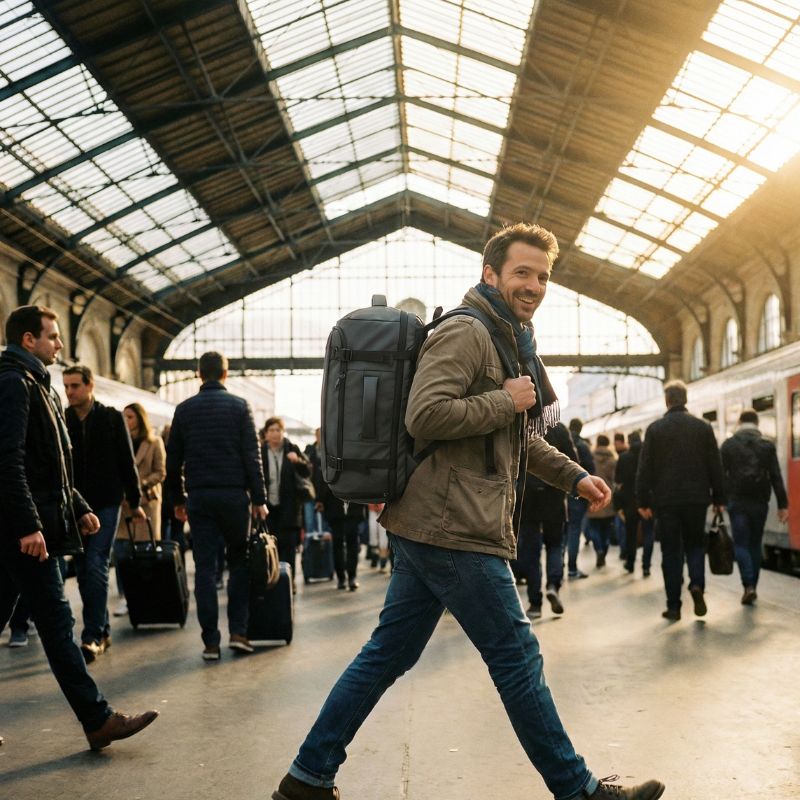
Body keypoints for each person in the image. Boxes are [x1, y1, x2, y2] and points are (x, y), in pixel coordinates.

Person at [271, 223, 663, 800]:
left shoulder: (508, 340)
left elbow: (517, 439)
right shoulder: (467, 331)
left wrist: (576, 476)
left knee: (388, 655)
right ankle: (578, 791)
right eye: (522, 273)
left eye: (543, 276)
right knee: (516, 656)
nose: (533, 285)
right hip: (454, 525)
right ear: (491, 273)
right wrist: (507, 398)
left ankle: (307, 777)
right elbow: (424, 416)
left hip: (437, 519)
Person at [0, 305, 158, 749]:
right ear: (28, 339)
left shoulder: (38, 384)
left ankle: (97, 720)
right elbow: (8, 461)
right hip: (25, 532)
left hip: (30, 524)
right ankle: (97, 718)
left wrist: (80, 504)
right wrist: (30, 525)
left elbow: (54, 465)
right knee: (56, 619)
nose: (59, 345)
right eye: (52, 336)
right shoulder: (13, 383)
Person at [166, 351, 267, 660]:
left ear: (199, 374)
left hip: (199, 498)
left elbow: (173, 463)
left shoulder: (184, 410)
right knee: (239, 564)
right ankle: (239, 632)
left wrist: (178, 501)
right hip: (235, 497)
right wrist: (260, 499)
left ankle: (210, 642)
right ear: (225, 374)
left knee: (205, 570)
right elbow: (252, 455)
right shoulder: (240, 407)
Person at [63, 364, 145, 663]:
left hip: (107, 503)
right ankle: (105, 630)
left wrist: (134, 501)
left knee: (96, 565)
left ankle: (92, 636)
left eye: (75, 386)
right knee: (84, 570)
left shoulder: (111, 417)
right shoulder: (63, 418)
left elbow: (127, 461)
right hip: (74, 506)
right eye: (67, 386)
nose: (70, 392)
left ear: (90, 386)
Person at [636, 380, 725, 621]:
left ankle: (674, 606)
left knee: (671, 552)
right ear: (685, 400)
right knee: (696, 545)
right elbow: (715, 465)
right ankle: (697, 585)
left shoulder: (655, 429)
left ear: (667, 401)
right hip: (697, 500)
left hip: (667, 502)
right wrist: (719, 497)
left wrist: (643, 501)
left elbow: (645, 469)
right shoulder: (703, 427)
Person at [720, 409, 788, 605]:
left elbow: (721, 475)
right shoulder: (767, 446)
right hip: (760, 503)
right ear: (757, 423)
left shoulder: (728, 445)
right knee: (755, 543)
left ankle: (748, 585)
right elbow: (776, 476)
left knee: (740, 543)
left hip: (737, 502)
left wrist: (719, 500)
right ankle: (753, 586)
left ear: (740, 423)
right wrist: (782, 505)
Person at [513, 420, 577, 619]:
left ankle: (535, 603)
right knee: (555, 544)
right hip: (554, 497)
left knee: (531, 549)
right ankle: (553, 585)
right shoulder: (558, 428)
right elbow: (573, 460)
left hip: (527, 498)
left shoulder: (519, 425)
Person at [112, 403, 167, 617]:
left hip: (147, 503)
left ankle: (148, 595)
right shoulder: (117, 442)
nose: (126, 421)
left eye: (130, 417)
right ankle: (125, 596)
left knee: (146, 550)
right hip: (124, 505)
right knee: (122, 551)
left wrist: (140, 483)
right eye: (124, 417)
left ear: (140, 419)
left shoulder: (154, 442)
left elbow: (160, 472)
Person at [261, 417, 312, 590]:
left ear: (283, 432)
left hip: (289, 508)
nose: (275, 433)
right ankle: (271, 582)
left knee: (289, 547)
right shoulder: (260, 452)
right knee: (268, 547)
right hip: (267, 510)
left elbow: (307, 471)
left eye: (278, 430)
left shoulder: (292, 449)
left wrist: (297, 461)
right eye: (271, 430)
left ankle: (288, 583)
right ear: (266, 434)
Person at [615, 431, 654, 577]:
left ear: (629, 442)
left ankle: (630, 563)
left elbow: (618, 480)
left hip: (629, 503)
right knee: (648, 533)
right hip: (648, 502)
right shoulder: (649, 456)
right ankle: (646, 566)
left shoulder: (624, 457)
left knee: (630, 534)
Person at [565, 417, 595, 579]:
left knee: (563, 532)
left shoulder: (560, 441)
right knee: (574, 530)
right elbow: (591, 469)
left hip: (560, 494)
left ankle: (557, 568)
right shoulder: (582, 446)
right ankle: (572, 568)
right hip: (577, 495)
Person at [585, 434, 617, 568]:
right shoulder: (613, 460)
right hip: (608, 498)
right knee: (607, 529)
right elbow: (615, 480)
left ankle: (598, 550)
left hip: (593, 496)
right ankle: (604, 549)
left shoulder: (590, 458)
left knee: (593, 527)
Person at [612, 433, 629, 557]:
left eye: (616, 442)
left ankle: (624, 551)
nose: (614, 445)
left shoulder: (623, 457)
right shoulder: (619, 456)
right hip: (624, 495)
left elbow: (617, 479)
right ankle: (625, 550)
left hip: (623, 496)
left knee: (622, 526)